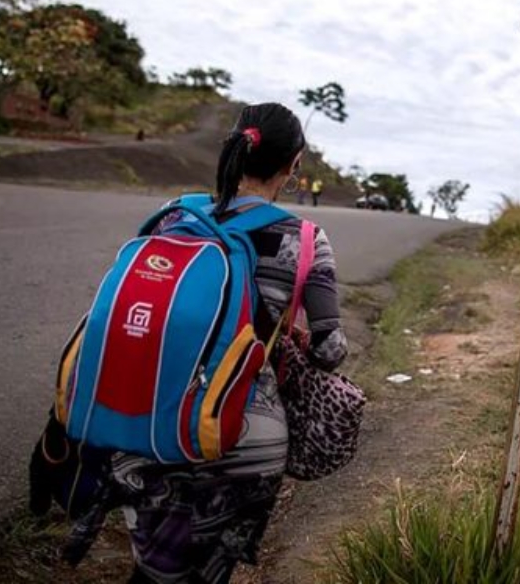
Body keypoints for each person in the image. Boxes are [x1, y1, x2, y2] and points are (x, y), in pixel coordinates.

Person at [59, 103, 348, 583]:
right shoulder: (307, 239)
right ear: (294, 163)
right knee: (202, 570)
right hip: (238, 435)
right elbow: (331, 349)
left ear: (234, 145)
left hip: (143, 419)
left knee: (155, 562)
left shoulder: (176, 217)